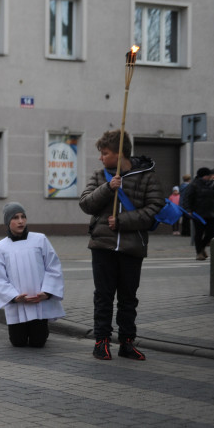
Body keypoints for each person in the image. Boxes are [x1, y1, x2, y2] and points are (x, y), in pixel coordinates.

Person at [79, 130, 163, 361]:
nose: (101, 158)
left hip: (132, 246)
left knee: (128, 298)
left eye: (105, 153)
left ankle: (127, 343)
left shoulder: (147, 176)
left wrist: (124, 221)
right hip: (102, 245)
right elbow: (86, 204)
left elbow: (155, 207)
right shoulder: (100, 175)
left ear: (119, 154)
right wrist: (108, 188)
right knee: (103, 297)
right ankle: (101, 342)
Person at [0, 203, 65, 348]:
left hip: (39, 301)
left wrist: (47, 293)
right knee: (18, 342)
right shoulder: (1, 246)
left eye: (23, 217)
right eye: (15, 217)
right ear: (7, 222)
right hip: (18, 304)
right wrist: (13, 297)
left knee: (38, 342)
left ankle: (42, 330)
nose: (21, 221)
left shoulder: (39, 240)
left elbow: (53, 266)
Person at [183, 167, 214, 261]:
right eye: (209, 175)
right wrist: (188, 210)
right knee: (199, 233)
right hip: (198, 214)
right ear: (204, 176)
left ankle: (202, 247)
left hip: (211, 213)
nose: (211, 177)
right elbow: (187, 198)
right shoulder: (194, 185)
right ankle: (199, 253)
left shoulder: (212, 184)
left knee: (213, 232)